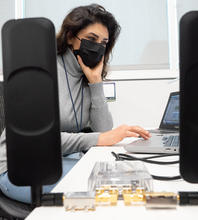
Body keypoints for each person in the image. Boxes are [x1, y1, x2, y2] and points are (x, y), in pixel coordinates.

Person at [0, 4, 150, 203]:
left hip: (62, 162)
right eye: (91, 39)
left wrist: (96, 83)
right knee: (108, 191)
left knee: (127, 179)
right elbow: (40, 141)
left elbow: (103, 129)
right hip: (21, 170)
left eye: (104, 42)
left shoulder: (86, 75)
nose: (98, 47)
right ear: (70, 36)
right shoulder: (43, 71)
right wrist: (98, 139)